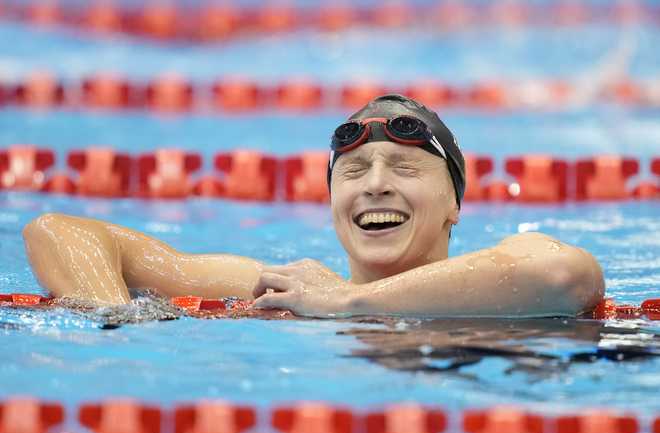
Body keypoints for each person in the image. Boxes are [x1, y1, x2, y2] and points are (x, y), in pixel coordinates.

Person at [22, 95, 604, 318]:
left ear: (456, 201)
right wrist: (115, 320)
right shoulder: (288, 287)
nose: (374, 185)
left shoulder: (511, 259)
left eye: (404, 167)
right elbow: (58, 230)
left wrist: (348, 302)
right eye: (352, 171)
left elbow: (561, 276)